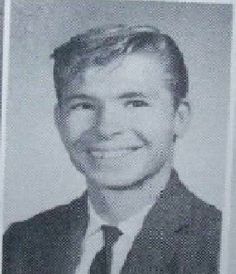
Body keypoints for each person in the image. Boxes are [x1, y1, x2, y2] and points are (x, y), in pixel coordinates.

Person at [3, 24, 221, 274]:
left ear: (179, 118)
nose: (106, 128)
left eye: (135, 103)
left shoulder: (218, 244)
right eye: (83, 105)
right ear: (59, 119)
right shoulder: (21, 242)